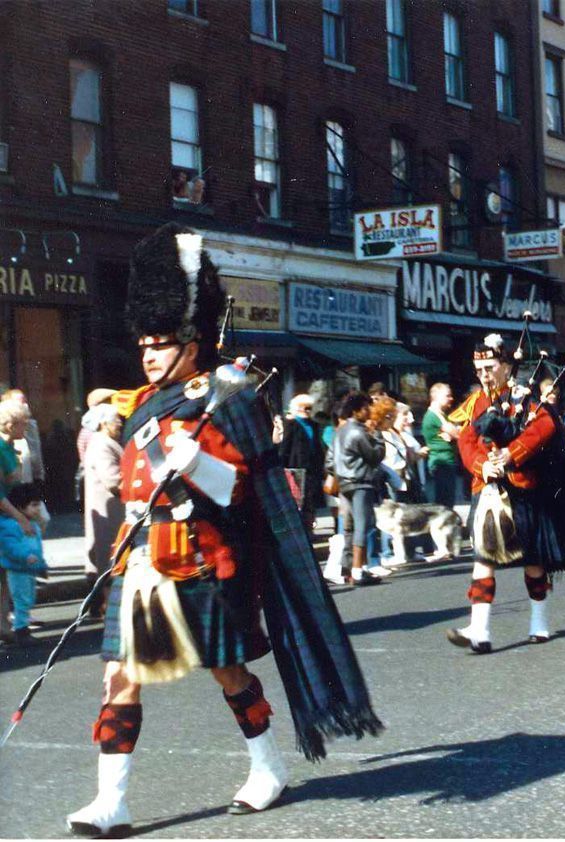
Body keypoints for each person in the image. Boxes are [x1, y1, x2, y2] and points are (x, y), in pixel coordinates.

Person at [67, 223, 380, 838]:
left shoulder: (224, 397)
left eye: (161, 344)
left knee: (228, 673)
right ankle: (113, 801)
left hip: (202, 558)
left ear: (192, 343)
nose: (148, 354)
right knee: (118, 676)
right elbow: (134, 483)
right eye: (144, 345)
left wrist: (195, 463)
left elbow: (236, 488)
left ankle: (267, 768)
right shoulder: (140, 405)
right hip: (144, 563)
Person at [445, 334, 565, 653]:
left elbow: (544, 427)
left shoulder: (525, 398)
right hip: (488, 488)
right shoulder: (474, 404)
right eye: (478, 368)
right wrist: (483, 466)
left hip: (522, 486)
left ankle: (539, 620)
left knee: (532, 559)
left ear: (506, 366)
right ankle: (479, 630)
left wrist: (512, 454)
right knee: (484, 557)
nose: (483, 374)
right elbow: (466, 443)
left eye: (489, 367)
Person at [330, 391, 386, 586]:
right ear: (356, 410)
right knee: (363, 525)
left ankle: (355, 568)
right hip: (360, 480)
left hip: (344, 481)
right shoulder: (357, 431)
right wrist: (378, 436)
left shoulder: (341, 431)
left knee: (351, 526)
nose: (368, 410)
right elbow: (374, 455)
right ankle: (358, 571)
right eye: (365, 407)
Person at [82, 404, 123, 621]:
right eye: (116, 419)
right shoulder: (102, 445)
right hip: (110, 511)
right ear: (104, 423)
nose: (120, 423)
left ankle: (104, 606)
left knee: (108, 558)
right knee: (109, 558)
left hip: (109, 508)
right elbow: (113, 479)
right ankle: (108, 607)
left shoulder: (104, 442)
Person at [0, 483, 49, 646]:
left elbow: (37, 547)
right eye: (34, 505)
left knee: (28, 599)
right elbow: (10, 546)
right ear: (20, 507)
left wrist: (41, 564)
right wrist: (25, 556)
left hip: (28, 569)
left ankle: (22, 627)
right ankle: (21, 630)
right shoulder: (10, 525)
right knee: (22, 599)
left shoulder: (32, 524)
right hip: (17, 569)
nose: (37, 509)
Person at [276, 393, 327, 538]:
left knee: (310, 503)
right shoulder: (290, 424)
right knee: (297, 503)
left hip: (312, 470)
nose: (305, 410)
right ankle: (299, 533)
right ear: (294, 408)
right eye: (302, 407)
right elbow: (284, 448)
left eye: (309, 408)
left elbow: (318, 447)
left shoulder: (314, 425)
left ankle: (309, 531)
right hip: (295, 469)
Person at [421, 383, 462, 508]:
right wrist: (453, 431)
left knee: (447, 502)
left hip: (447, 462)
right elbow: (457, 434)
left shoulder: (441, 416)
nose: (451, 398)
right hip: (442, 464)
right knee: (444, 504)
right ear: (436, 397)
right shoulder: (434, 416)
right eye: (447, 396)